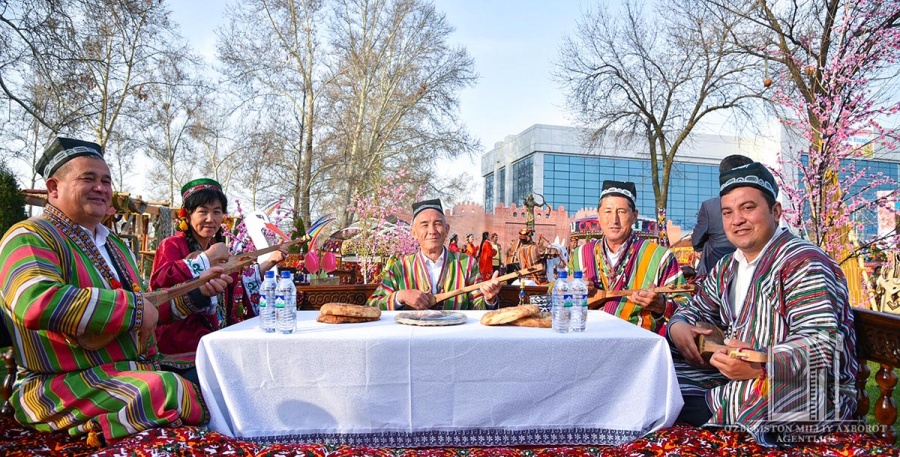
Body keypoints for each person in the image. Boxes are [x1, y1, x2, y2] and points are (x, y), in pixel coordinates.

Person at [0, 137, 228, 444]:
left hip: (129, 369)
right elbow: (34, 300)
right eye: (89, 179)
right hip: (58, 384)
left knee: (217, 376)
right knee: (165, 390)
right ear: (54, 188)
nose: (101, 188)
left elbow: (149, 310)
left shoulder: (116, 245)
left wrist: (200, 294)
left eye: (106, 180)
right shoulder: (29, 235)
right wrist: (133, 309)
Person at [667, 163, 858, 442]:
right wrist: (678, 326)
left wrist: (761, 365)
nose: (737, 220)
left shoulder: (803, 262)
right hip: (738, 375)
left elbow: (822, 343)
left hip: (803, 385)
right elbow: (694, 308)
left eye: (748, 208)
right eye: (727, 212)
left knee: (758, 396)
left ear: (776, 212)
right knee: (662, 374)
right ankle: (703, 405)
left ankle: (704, 408)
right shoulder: (727, 267)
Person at [150, 178, 287, 355]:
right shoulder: (172, 245)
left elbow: (237, 283)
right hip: (181, 341)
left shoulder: (215, 247)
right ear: (188, 214)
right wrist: (207, 257)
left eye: (216, 212)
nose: (210, 219)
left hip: (214, 336)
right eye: (202, 212)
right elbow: (160, 281)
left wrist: (272, 261)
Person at [568, 180, 688, 335]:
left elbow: (686, 305)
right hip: (586, 340)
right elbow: (556, 296)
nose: (614, 220)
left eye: (622, 212)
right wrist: (569, 286)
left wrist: (661, 305)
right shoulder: (580, 254)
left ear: (634, 216)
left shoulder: (660, 257)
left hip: (639, 346)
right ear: (598, 215)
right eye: (608, 211)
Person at [367, 199, 500, 310]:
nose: (432, 231)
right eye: (424, 225)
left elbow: (477, 307)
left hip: (455, 338)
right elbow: (372, 306)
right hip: (413, 339)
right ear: (413, 232)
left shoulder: (467, 264)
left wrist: (489, 300)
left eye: (437, 224)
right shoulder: (400, 268)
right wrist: (400, 296)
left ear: (447, 230)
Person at [692, 155, 754, 277]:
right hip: (750, 271)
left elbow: (696, 242)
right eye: (727, 213)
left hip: (713, 274)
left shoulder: (710, 206)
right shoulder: (760, 203)